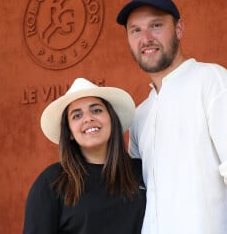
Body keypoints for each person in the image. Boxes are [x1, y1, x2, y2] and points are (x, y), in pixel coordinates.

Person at [116, 0, 227, 234]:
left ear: (178, 29)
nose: (146, 38)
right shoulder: (140, 115)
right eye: (135, 30)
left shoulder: (213, 81)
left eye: (156, 26)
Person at [23, 78, 146, 234]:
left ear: (112, 120)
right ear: (70, 133)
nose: (88, 118)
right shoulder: (53, 181)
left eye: (96, 110)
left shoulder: (140, 172)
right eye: (77, 116)